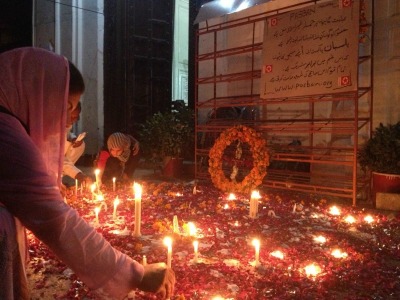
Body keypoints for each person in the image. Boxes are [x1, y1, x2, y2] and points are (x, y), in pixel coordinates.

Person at [0, 47, 175, 299]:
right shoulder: (4, 130)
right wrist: (134, 272)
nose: (67, 119)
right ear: (37, 93)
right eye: (65, 106)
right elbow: (52, 215)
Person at [63, 102, 93, 187]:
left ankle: (57, 179)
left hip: (60, 160)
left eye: (75, 117)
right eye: (71, 116)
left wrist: (73, 138)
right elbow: (59, 160)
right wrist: (79, 175)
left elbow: (67, 133)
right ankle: (52, 181)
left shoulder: (66, 124)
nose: (72, 120)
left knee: (80, 145)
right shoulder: (53, 129)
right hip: (46, 165)